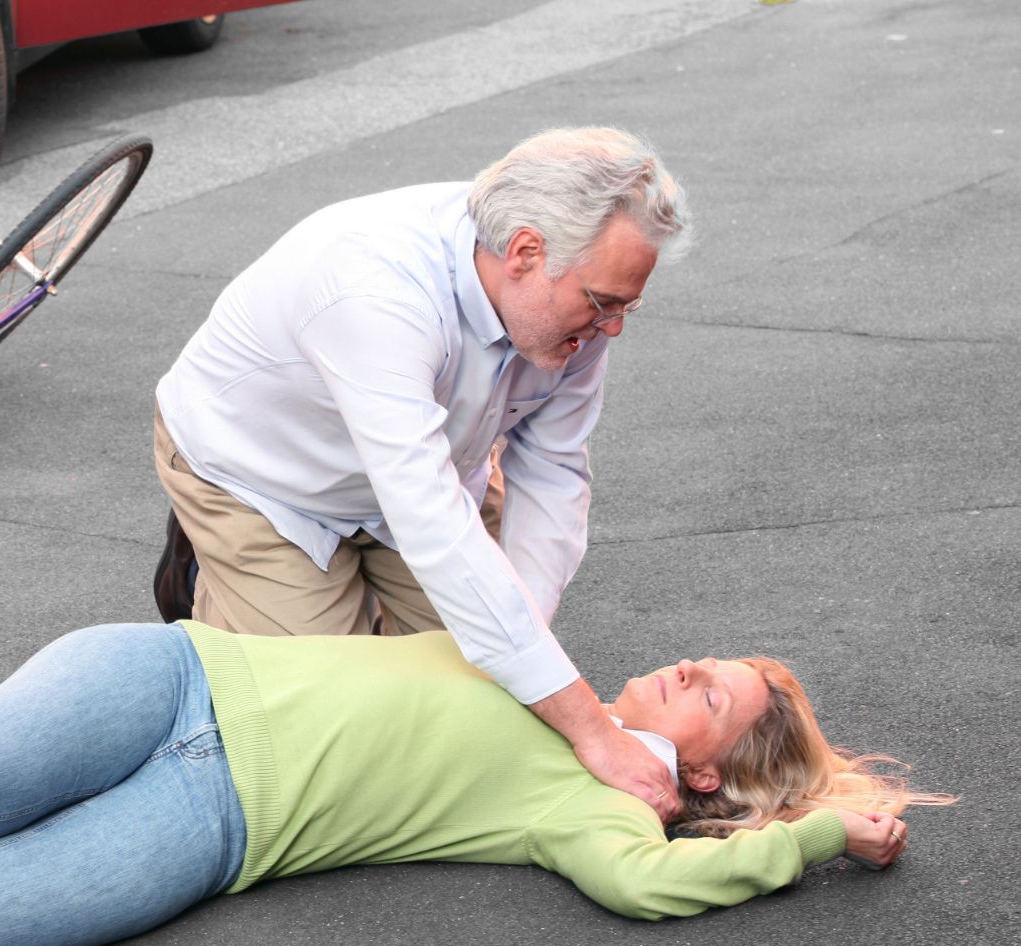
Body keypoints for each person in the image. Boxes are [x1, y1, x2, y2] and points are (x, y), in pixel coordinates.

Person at [0, 622, 949, 946]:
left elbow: (654, 893)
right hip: (173, 677)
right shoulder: (548, 661)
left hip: (224, 826)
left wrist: (820, 831)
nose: (682, 665)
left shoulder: (610, 820)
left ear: (706, 771)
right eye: (701, 656)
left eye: (706, 690)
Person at [152, 126, 691, 817]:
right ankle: (213, 575)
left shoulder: (573, 302)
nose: (612, 327)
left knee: (482, 692)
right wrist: (589, 728)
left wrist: (517, 637)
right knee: (324, 738)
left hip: (431, 470)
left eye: (626, 304)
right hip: (261, 480)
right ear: (525, 252)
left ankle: (344, 606)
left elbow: (553, 472)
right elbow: (431, 522)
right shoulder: (373, 288)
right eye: (602, 302)